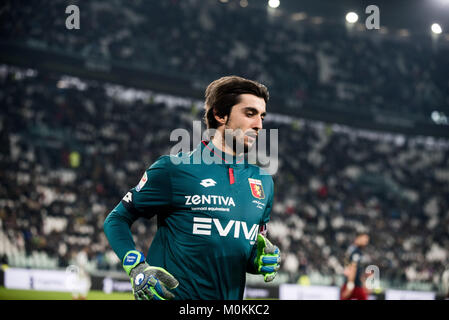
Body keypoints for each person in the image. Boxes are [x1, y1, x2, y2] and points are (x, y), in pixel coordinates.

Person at [103, 75, 281, 300]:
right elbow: (116, 219)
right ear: (219, 114)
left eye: (262, 116)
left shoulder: (263, 182)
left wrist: (259, 260)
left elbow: (247, 251)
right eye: (249, 114)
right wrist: (136, 266)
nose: (259, 125)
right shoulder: (174, 169)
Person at [340, 232, 370, 300]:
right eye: (365, 238)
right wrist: (350, 286)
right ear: (358, 238)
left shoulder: (355, 251)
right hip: (353, 285)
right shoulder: (356, 252)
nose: (366, 241)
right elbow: (352, 268)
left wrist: (364, 284)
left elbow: (359, 271)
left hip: (355, 285)